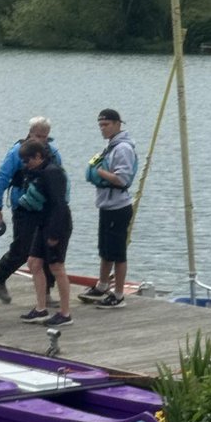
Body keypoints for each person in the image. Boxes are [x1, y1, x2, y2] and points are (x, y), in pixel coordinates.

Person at [0, 116, 62, 304]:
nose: (41, 140)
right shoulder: (17, 153)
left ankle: (46, 292)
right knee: (23, 248)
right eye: (38, 135)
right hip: (23, 206)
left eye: (45, 137)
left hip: (46, 208)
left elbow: (61, 181)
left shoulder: (53, 153)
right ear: (30, 133)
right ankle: (0, 278)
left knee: (47, 249)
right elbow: (1, 179)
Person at [78, 108, 138, 309]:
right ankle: (102, 285)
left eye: (106, 125)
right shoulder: (111, 147)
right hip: (106, 205)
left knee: (118, 252)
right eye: (100, 125)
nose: (102, 129)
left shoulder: (123, 149)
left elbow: (122, 179)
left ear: (118, 124)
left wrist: (98, 172)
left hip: (118, 207)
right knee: (105, 250)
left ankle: (119, 295)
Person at [17, 139, 73, 327]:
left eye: (28, 160)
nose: (26, 164)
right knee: (33, 262)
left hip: (57, 223)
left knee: (57, 266)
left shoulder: (53, 173)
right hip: (43, 222)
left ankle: (65, 313)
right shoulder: (38, 172)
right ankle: (41, 309)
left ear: (39, 156)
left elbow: (59, 203)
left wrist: (55, 234)